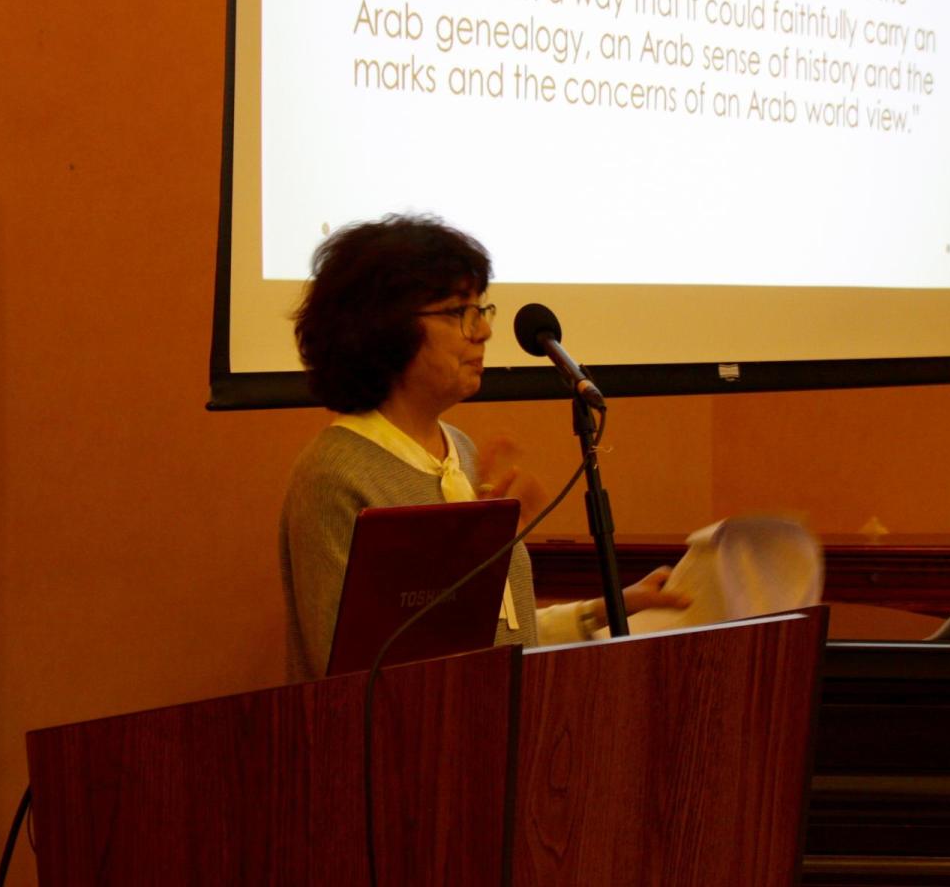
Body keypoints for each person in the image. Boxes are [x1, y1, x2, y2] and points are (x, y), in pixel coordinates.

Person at [279, 215, 687, 682]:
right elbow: (354, 673)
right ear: (383, 327)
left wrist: (605, 609)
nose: (483, 332)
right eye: (459, 313)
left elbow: (496, 639)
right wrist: (461, 560)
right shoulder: (335, 474)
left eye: (481, 311)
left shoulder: (462, 452)